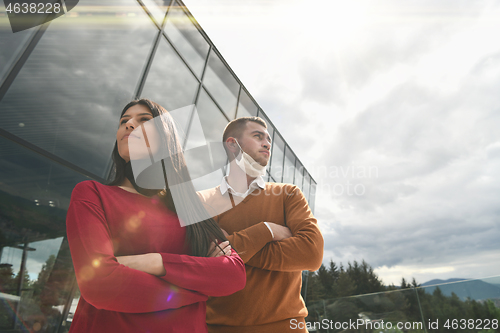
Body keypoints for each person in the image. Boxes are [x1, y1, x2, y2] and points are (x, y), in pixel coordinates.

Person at [66, 99, 246, 333]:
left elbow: (233, 274)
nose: (129, 125)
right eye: (124, 121)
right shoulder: (92, 194)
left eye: (143, 120)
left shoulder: (190, 208)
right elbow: (100, 284)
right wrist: (199, 288)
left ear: (166, 137)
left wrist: (154, 261)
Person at [197, 116, 324, 333]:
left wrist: (230, 249)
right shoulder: (202, 201)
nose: (266, 143)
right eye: (257, 136)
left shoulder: (288, 194)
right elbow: (201, 262)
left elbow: (312, 253)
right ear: (232, 144)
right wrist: (267, 230)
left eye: (268, 140)